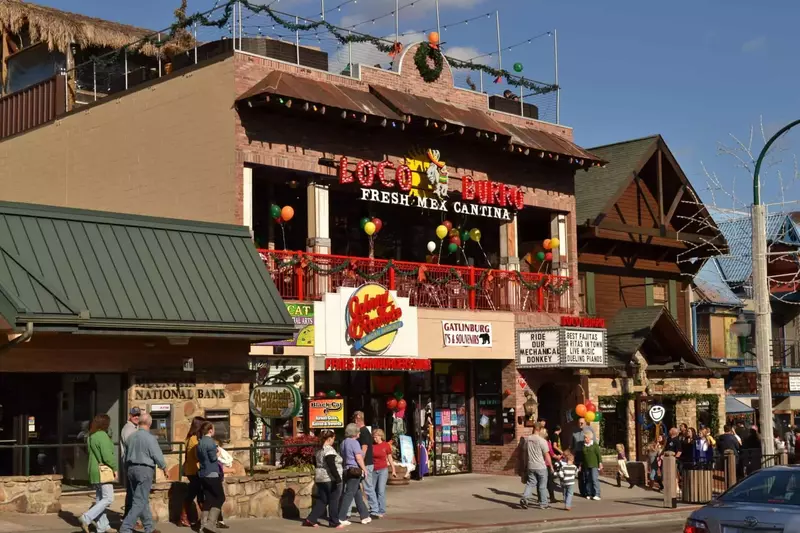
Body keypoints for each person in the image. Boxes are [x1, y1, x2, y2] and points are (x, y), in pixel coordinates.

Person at [120, 413, 167, 533]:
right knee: (139, 501)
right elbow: (157, 454)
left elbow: (125, 455)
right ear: (150, 424)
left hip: (131, 469)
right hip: (144, 470)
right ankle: (126, 527)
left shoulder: (131, 437)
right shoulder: (150, 438)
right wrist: (164, 467)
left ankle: (149, 527)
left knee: (142, 499)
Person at [80, 414, 118, 533]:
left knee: (100, 498)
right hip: (103, 471)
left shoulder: (91, 436)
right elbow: (107, 457)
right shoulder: (102, 436)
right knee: (108, 498)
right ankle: (86, 518)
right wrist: (115, 468)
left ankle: (103, 526)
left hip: (93, 470)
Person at [304, 430, 343, 527]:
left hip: (320, 478)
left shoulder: (318, 450)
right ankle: (334, 522)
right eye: (333, 438)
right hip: (330, 479)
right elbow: (331, 464)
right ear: (329, 439)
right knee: (333, 500)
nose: (334, 440)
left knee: (323, 500)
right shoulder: (329, 450)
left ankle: (311, 519)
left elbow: (314, 462)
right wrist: (337, 478)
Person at [338, 423, 371, 526]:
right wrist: (364, 469)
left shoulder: (343, 443)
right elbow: (359, 457)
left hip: (346, 470)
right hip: (355, 470)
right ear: (355, 433)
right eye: (358, 431)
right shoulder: (354, 443)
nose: (359, 433)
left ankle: (364, 516)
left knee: (357, 494)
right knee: (349, 494)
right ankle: (341, 517)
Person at [197, 421, 225, 533]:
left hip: (203, 473)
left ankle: (203, 526)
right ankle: (210, 523)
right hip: (212, 473)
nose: (214, 431)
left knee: (208, 498)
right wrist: (218, 453)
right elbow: (213, 458)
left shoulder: (200, 442)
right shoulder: (211, 442)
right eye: (213, 429)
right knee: (220, 498)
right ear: (210, 430)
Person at [518, 422, 552, 510]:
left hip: (531, 465)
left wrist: (525, 464)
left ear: (533, 428)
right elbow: (547, 455)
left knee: (530, 483)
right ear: (540, 429)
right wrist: (551, 466)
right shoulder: (542, 441)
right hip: (541, 466)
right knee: (542, 485)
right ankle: (543, 503)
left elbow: (525, 454)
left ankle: (525, 498)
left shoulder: (527, 440)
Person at [181, 416, 206, 528]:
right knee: (194, 494)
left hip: (193, 470)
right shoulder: (194, 439)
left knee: (199, 493)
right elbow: (197, 455)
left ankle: (205, 519)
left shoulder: (192, 437)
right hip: (194, 470)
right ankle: (183, 516)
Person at [353, 411, 378, 516]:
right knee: (357, 487)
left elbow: (364, 447)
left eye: (354, 419)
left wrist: (360, 461)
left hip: (366, 463)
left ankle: (375, 510)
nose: (354, 422)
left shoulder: (363, 432)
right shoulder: (364, 431)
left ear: (357, 419)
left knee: (368, 486)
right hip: (366, 463)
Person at [371, 428, 397, 518]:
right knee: (373, 490)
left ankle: (381, 510)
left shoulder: (386, 445)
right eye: (373, 437)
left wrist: (393, 469)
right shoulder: (372, 446)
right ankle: (374, 508)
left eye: (376, 437)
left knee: (381, 490)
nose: (374, 439)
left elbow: (390, 458)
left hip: (383, 469)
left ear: (380, 436)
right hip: (373, 470)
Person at [120, 407, 141, 520]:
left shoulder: (134, 428)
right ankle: (129, 517)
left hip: (132, 463)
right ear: (130, 416)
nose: (136, 417)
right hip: (131, 463)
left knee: (132, 491)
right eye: (134, 415)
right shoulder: (129, 429)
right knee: (133, 491)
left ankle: (128, 516)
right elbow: (132, 446)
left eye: (138, 415)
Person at [570, 418, 595, 496]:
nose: (580, 424)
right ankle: (582, 491)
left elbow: (594, 443)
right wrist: (572, 455)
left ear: (585, 423)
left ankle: (589, 491)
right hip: (578, 453)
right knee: (580, 474)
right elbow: (572, 445)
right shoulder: (574, 432)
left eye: (582, 423)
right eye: (579, 423)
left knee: (587, 473)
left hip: (587, 453)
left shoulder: (590, 430)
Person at [580, 431, 603, 500]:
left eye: (586, 437)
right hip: (586, 465)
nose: (585, 439)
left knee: (594, 479)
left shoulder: (594, 445)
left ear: (590, 437)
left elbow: (598, 455)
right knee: (588, 479)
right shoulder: (583, 445)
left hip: (594, 465)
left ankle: (597, 494)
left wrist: (600, 463)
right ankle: (589, 493)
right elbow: (583, 456)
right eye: (584, 437)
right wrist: (581, 464)